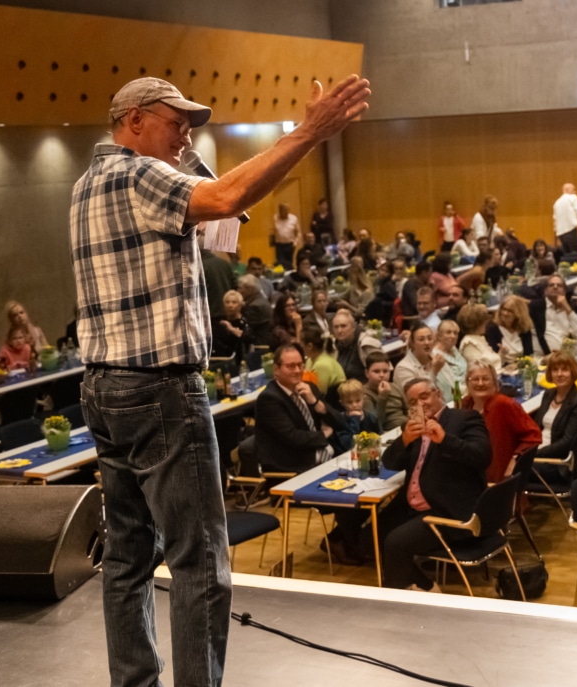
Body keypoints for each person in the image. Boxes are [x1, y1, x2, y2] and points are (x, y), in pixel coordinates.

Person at [69, 72, 370, 687]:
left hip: (104, 389)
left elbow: (225, 209)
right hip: (159, 389)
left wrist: (184, 153)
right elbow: (229, 199)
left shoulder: (87, 184)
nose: (185, 136)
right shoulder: (140, 175)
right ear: (133, 120)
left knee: (127, 556)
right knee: (201, 561)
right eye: (176, 123)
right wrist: (309, 132)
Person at [380, 376, 491, 591]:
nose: (420, 404)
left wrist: (445, 440)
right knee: (368, 538)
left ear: (438, 394)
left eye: (424, 397)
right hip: (412, 507)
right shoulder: (412, 427)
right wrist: (404, 440)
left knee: (395, 543)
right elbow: (389, 463)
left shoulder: (465, 418)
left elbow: (482, 456)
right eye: (413, 402)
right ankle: (424, 586)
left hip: (446, 510)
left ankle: (405, 597)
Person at [255, 343, 340, 473]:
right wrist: (323, 434)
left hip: (327, 455)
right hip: (296, 466)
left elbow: (339, 421)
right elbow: (293, 437)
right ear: (276, 369)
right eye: (291, 366)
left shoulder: (309, 388)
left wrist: (315, 402)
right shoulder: (269, 399)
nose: (297, 370)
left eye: (300, 365)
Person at [463, 360, 542, 483]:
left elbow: (533, 435)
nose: (480, 383)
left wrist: (515, 459)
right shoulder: (466, 404)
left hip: (498, 480)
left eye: (485, 379)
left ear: (495, 382)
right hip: (471, 477)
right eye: (475, 379)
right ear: (467, 383)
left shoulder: (504, 404)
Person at [530, 351, 577, 459]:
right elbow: (537, 427)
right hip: (537, 450)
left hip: (556, 459)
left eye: (564, 369)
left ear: (572, 372)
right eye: (555, 369)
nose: (559, 374)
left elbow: (566, 442)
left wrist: (536, 454)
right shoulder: (549, 394)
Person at [529, 274, 577, 354]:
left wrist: (567, 307)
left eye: (559, 285)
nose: (555, 287)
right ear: (545, 290)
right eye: (551, 285)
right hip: (543, 356)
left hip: (567, 355)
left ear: (564, 291)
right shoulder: (536, 307)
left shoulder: (568, 309)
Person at [330, 308, 381, 383]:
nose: (339, 330)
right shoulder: (333, 345)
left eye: (343, 326)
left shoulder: (366, 343)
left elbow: (381, 373)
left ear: (353, 327)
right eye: (336, 327)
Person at [362, 351, 409, 431]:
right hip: (387, 432)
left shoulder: (395, 386)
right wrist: (382, 398)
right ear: (367, 373)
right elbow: (375, 424)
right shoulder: (364, 394)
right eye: (376, 371)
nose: (382, 375)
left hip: (406, 426)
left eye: (385, 371)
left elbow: (408, 410)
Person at [331, 379, 382, 453]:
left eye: (358, 401)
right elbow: (350, 445)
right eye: (349, 402)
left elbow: (380, 436)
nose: (354, 405)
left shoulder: (371, 417)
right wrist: (355, 420)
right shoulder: (340, 421)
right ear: (342, 403)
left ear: (363, 399)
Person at [487, 295, 540, 364]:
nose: (505, 313)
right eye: (504, 309)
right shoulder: (493, 330)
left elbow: (528, 355)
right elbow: (493, 359)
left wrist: (517, 365)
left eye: (510, 311)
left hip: (521, 367)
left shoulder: (524, 330)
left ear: (519, 314)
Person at [302, 324, 345, 402]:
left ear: (309, 346)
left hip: (334, 404)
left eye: (301, 343)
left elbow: (319, 394)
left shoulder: (322, 365)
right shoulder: (310, 360)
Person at [431, 319, 467, 404]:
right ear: (439, 335)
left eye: (455, 333)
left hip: (467, 389)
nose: (453, 336)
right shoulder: (436, 355)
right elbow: (451, 383)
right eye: (448, 332)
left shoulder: (454, 349)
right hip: (454, 396)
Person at [211, 289, 251, 363]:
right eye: (227, 302)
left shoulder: (244, 322)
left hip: (237, 359)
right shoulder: (219, 321)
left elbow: (247, 338)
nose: (230, 305)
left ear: (240, 305)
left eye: (234, 302)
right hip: (217, 358)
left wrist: (231, 329)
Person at [393, 323, 436, 392]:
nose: (427, 343)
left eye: (430, 338)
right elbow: (420, 394)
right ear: (412, 343)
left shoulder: (437, 357)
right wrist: (434, 371)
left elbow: (452, 384)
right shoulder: (403, 368)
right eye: (421, 339)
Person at [457, 302, 501, 368]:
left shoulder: (480, 338)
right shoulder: (468, 343)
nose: (486, 322)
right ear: (477, 322)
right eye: (485, 319)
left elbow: (495, 362)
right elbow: (479, 367)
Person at [236, 274, 273, 345]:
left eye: (240, 288)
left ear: (249, 290)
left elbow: (248, 332)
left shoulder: (254, 306)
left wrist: (232, 329)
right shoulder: (261, 299)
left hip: (258, 345)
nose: (238, 291)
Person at [553, 182, 577, 255]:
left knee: (566, 255)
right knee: (575, 254)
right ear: (566, 190)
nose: (575, 192)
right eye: (573, 189)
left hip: (561, 233)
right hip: (571, 230)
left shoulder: (556, 203)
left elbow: (555, 219)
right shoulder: (573, 197)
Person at [274, 202, 301, 270]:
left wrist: (295, 243)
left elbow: (298, 232)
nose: (285, 212)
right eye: (283, 210)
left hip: (290, 244)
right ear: (280, 210)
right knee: (280, 264)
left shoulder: (294, 218)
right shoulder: (275, 218)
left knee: (289, 264)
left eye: (287, 210)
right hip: (279, 245)